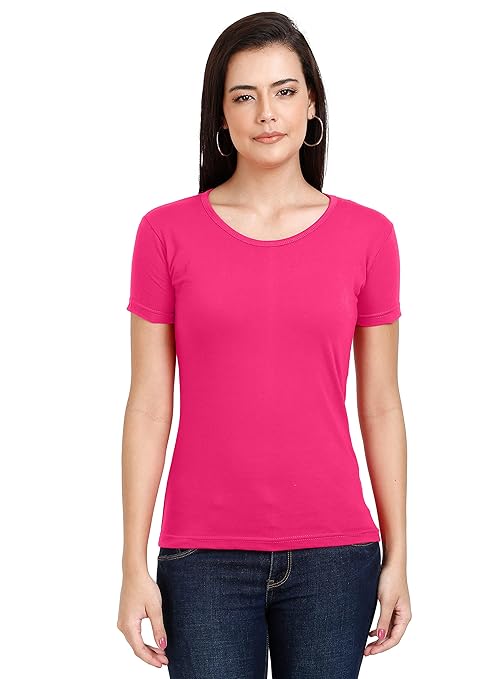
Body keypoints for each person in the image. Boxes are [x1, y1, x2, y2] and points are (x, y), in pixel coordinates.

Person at [117, 11, 411, 678]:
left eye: (284, 91)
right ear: (220, 115)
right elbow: (148, 406)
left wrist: (398, 554)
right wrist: (133, 563)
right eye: (243, 96)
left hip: (336, 555)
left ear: (312, 104)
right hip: (202, 559)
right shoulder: (164, 234)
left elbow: (381, 406)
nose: (266, 113)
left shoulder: (369, 236)